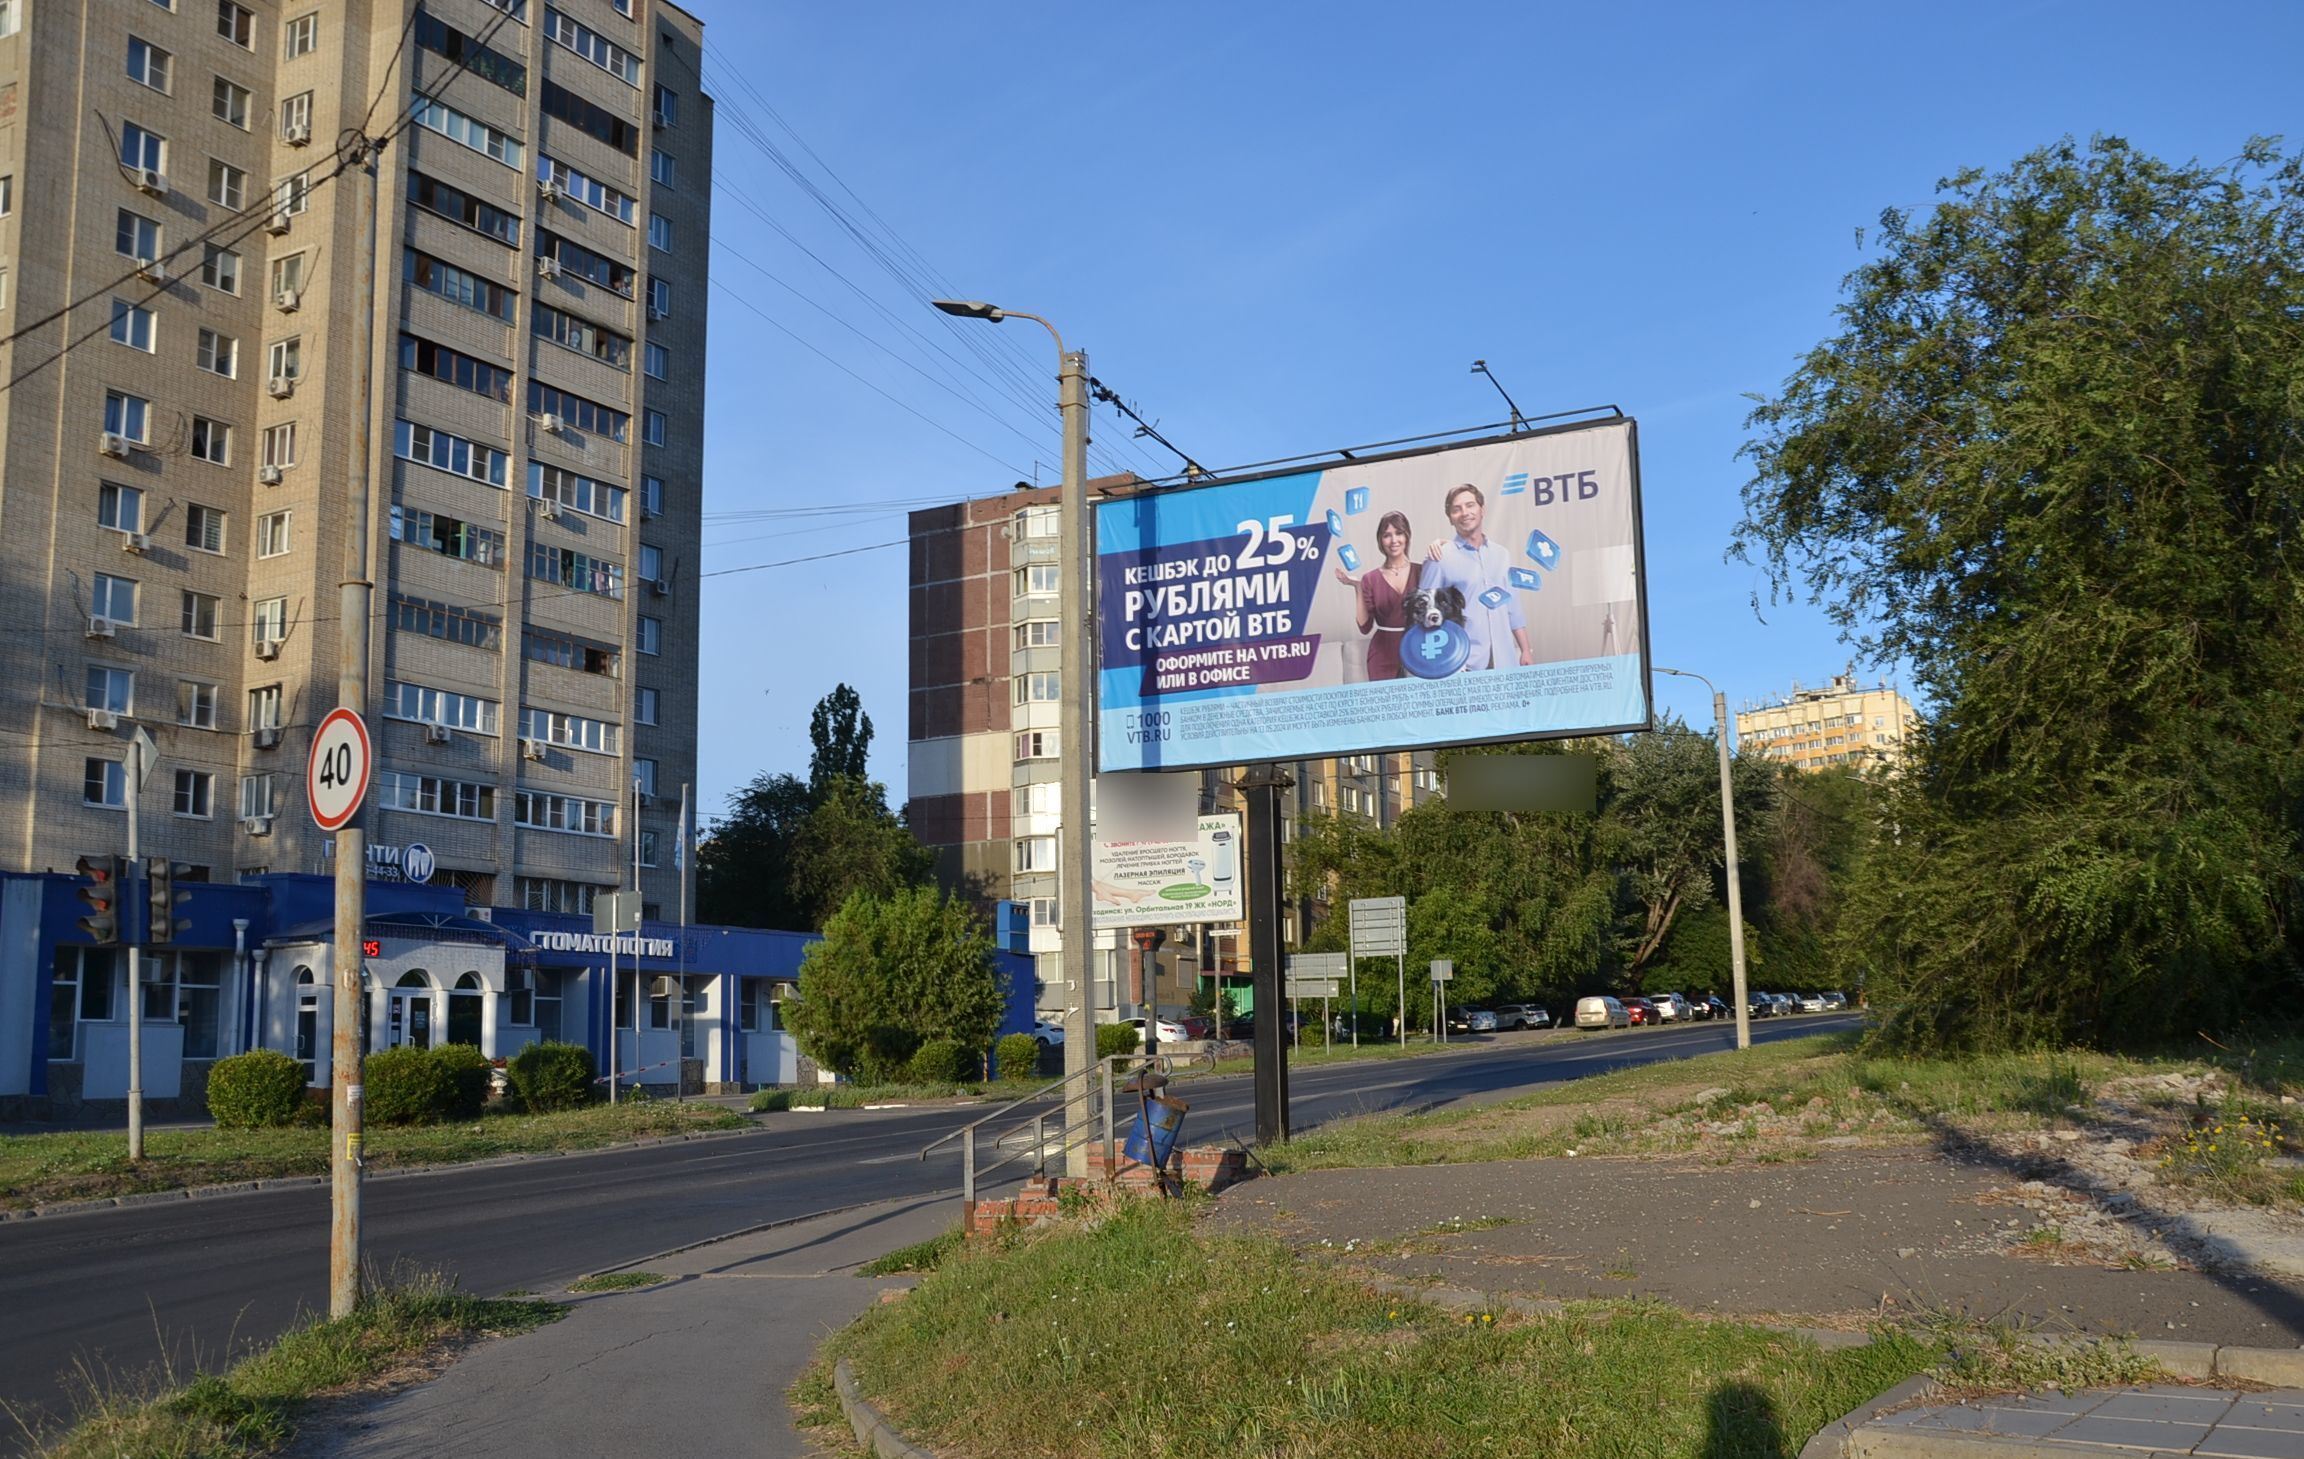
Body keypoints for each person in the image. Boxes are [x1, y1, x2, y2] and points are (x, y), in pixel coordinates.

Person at [1422, 483, 1534, 670]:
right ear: (1450, 518)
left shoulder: (1502, 555)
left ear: (1482, 510)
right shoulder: (1439, 557)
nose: (1465, 513)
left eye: (1470, 505)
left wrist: (1525, 650)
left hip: (1504, 659)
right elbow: (1426, 611)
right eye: (1456, 509)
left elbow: (1513, 606)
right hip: (1462, 662)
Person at [1331, 510, 1421, 680]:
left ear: (1407, 536)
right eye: (1387, 535)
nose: (1394, 540)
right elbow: (1365, 627)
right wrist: (1358, 587)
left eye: (1399, 533)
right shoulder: (1370, 579)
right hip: (1383, 656)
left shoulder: (1422, 571)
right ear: (1380, 540)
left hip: (1418, 648)